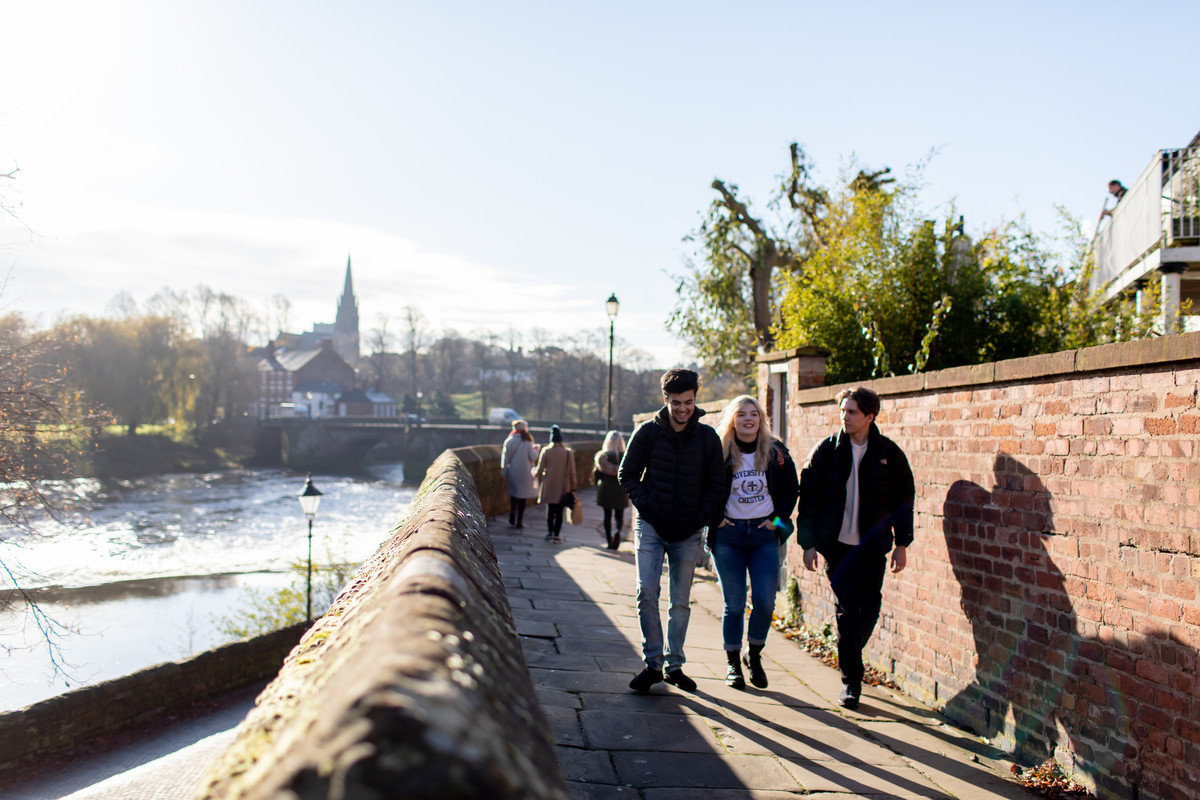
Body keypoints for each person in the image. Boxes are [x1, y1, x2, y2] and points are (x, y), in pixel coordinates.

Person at [796, 386, 914, 710]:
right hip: (837, 547)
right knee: (848, 613)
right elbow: (807, 499)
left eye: (851, 412)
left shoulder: (888, 453)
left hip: (872, 547)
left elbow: (904, 502)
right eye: (842, 411)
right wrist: (808, 544)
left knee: (869, 609)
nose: (844, 417)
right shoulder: (826, 451)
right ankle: (852, 682)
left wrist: (902, 543)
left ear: (869, 416)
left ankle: (849, 651)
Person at [618, 368, 725, 693]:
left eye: (688, 402)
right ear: (665, 400)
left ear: (695, 399)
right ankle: (653, 664)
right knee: (646, 593)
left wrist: (700, 517)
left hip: (688, 532)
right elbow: (627, 474)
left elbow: (718, 485)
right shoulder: (648, 433)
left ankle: (674, 665)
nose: (682, 409)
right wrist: (648, 507)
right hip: (651, 526)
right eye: (676, 402)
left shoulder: (707, 438)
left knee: (680, 601)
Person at [709, 395, 799, 690]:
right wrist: (713, 519)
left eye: (754, 414)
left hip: (763, 536)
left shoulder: (775, 452)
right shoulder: (718, 452)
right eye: (741, 414)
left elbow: (790, 491)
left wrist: (774, 522)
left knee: (764, 601)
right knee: (734, 604)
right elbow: (700, 487)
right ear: (732, 420)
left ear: (761, 419)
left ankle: (754, 653)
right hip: (728, 536)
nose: (748, 419)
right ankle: (733, 662)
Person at [534, 424, 576, 544]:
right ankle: (557, 535)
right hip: (564, 487)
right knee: (559, 511)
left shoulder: (546, 451)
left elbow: (539, 471)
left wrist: (533, 471)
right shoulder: (568, 453)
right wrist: (573, 488)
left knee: (550, 510)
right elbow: (573, 473)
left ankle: (549, 532)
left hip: (549, 485)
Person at [593, 430, 629, 550]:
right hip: (621, 490)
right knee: (620, 515)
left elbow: (596, 475)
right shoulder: (626, 457)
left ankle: (609, 540)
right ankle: (617, 531)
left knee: (607, 516)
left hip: (606, 489)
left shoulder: (602, 457)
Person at [500, 419, 538, 529]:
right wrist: (536, 450)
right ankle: (519, 521)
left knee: (514, 495)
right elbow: (533, 457)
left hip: (513, 471)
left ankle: (512, 512)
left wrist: (504, 472)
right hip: (525, 473)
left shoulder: (509, 441)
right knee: (522, 497)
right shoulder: (527, 442)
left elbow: (505, 459)